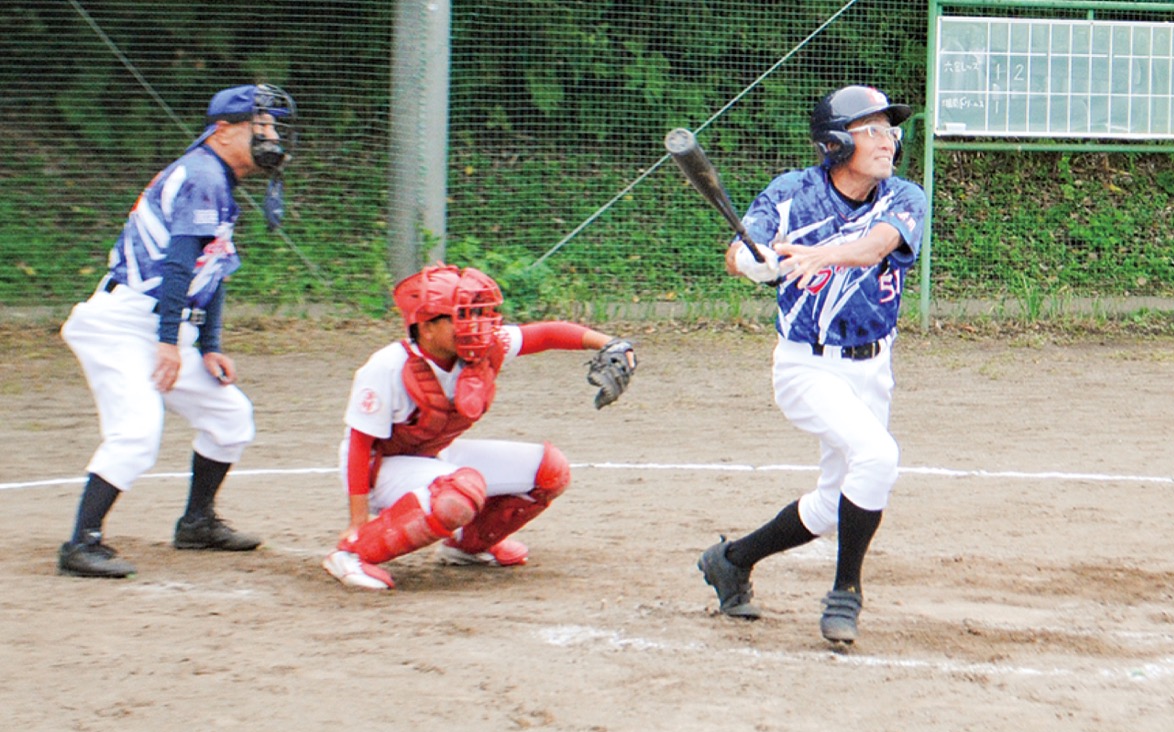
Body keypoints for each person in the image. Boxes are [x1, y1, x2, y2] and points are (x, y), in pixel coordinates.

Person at [697, 85, 928, 643]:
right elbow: (737, 252)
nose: (888, 141)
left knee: (831, 504)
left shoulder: (903, 196)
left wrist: (822, 255)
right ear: (834, 143)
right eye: (871, 130)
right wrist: (753, 262)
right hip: (807, 367)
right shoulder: (791, 194)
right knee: (878, 456)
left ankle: (731, 561)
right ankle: (846, 593)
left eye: (889, 130)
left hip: (873, 366)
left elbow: (875, 246)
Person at [57, 83, 298, 578]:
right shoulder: (202, 175)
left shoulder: (216, 177)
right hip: (124, 326)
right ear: (224, 131)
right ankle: (81, 543)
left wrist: (208, 346)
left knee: (230, 416)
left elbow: (214, 268)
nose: (271, 137)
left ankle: (196, 523)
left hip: (163, 325)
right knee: (136, 433)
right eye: (261, 126)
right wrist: (168, 342)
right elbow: (178, 266)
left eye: (272, 127)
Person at [322, 262, 637, 590]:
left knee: (550, 469)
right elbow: (360, 445)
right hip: (377, 471)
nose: (475, 325)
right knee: (461, 490)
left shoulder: (480, 348)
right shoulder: (388, 367)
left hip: (430, 457)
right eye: (461, 316)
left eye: (476, 314)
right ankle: (353, 553)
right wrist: (357, 521)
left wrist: (611, 344)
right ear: (426, 327)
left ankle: (468, 546)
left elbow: (545, 334)